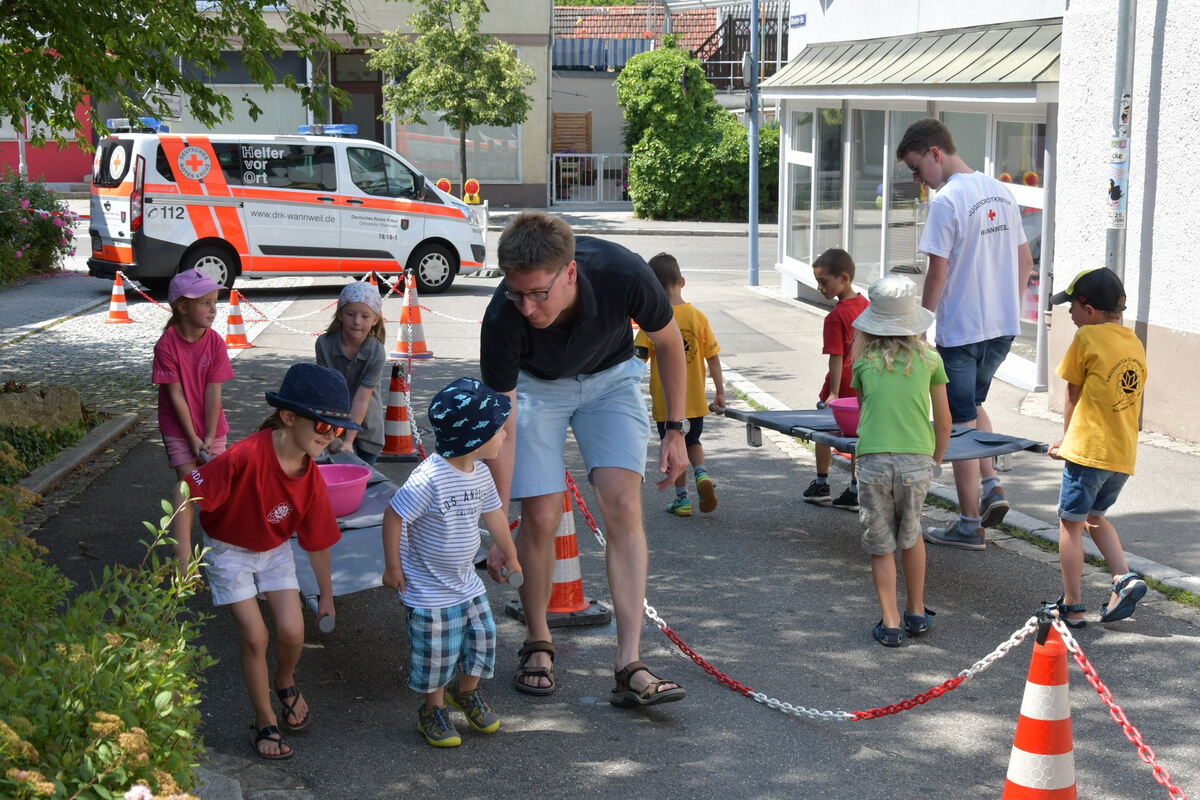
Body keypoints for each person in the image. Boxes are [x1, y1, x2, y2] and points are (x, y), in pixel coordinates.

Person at [479, 210, 689, 707]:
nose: (527, 307)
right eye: (517, 293)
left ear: (569, 272)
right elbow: (502, 429)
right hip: (535, 388)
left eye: (538, 294)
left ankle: (629, 661)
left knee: (623, 505)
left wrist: (675, 431)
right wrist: (498, 528)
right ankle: (537, 640)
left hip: (610, 379)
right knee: (541, 514)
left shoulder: (624, 272)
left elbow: (668, 342)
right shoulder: (502, 317)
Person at [180, 362, 354, 760]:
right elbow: (185, 490)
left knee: (293, 631)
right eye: (324, 427)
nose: (330, 438)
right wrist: (182, 553)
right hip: (228, 550)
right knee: (256, 636)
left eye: (339, 430)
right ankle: (264, 719)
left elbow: (319, 542)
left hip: (273, 550)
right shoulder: (244, 456)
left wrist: (326, 595)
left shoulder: (311, 478)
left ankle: (285, 679)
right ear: (289, 417)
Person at [897, 118, 1034, 551]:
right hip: (1000, 329)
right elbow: (1025, 260)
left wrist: (919, 325)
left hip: (962, 331)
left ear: (936, 152)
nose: (919, 181)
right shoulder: (1000, 190)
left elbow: (937, 272)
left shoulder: (948, 201)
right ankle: (992, 485)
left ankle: (971, 523)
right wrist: (1006, 307)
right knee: (971, 407)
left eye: (918, 169)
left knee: (956, 425)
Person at [381, 378, 522, 747]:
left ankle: (466, 693)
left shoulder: (481, 473)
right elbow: (395, 516)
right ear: (472, 437)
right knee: (436, 657)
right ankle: (433, 709)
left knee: (483, 640)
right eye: (497, 428)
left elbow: (495, 519)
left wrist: (513, 555)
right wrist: (393, 567)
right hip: (428, 590)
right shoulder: (429, 478)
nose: (506, 434)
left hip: (466, 584)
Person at [850, 275, 951, 647]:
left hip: (874, 462)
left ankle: (890, 623)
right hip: (917, 461)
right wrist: (935, 461)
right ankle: (917, 612)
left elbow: (865, 416)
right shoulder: (930, 361)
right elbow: (944, 421)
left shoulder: (862, 365)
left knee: (881, 543)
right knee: (912, 536)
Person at [1048, 267, 1148, 628]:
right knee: (1094, 518)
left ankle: (1073, 604)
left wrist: (1065, 440)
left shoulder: (1086, 339)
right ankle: (1123, 577)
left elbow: (1072, 394)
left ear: (1089, 310)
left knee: (1070, 525)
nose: (1070, 314)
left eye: (1072, 307)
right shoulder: (1133, 341)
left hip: (1088, 450)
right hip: (1122, 455)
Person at [634, 252, 725, 517]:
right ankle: (702, 474)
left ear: (652, 289)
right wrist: (719, 391)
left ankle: (682, 499)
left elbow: (636, 360)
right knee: (693, 440)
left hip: (667, 403)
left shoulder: (654, 320)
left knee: (675, 448)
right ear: (682, 281)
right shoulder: (698, 317)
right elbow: (713, 357)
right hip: (695, 399)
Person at [154, 268, 233, 565]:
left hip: (212, 426)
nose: (213, 310)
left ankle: (227, 546)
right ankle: (183, 554)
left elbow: (215, 393)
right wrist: (192, 438)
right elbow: (175, 396)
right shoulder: (166, 345)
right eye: (205, 303)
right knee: (188, 484)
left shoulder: (216, 343)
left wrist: (210, 436)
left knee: (217, 488)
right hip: (178, 427)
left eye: (215, 302)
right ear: (182, 307)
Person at [803, 248, 869, 511]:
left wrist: (832, 393)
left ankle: (821, 484)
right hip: (865, 383)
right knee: (858, 435)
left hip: (841, 385)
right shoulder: (867, 306)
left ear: (844, 278)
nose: (819, 287)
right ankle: (855, 489)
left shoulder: (835, 317)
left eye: (823, 281)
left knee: (822, 430)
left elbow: (836, 356)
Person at [315, 281, 387, 466]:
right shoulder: (324, 344)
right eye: (350, 314)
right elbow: (326, 392)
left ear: (375, 319)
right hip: (334, 423)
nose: (357, 321)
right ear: (339, 314)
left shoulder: (376, 352)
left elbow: (362, 399)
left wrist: (348, 442)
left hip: (368, 427)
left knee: (365, 482)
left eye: (365, 316)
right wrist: (330, 436)